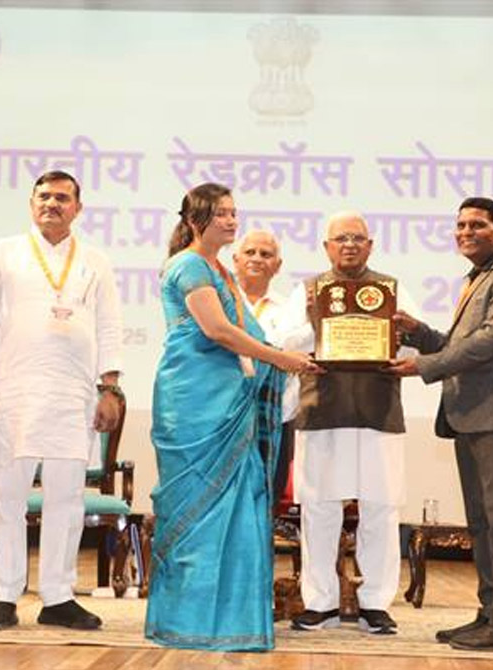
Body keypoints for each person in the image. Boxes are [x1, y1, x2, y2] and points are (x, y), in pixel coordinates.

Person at [145, 183, 319, 651]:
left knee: (236, 505)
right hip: (193, 401)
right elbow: (218, 331)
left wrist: (292, 353)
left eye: (232, 212)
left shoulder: (220, 270)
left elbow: (251, 332)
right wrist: (281, 360)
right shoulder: (188, 266)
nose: (230, 220)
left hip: (228, 397)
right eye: (220, 213)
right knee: (198, 509)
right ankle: (187, 621)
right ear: (195, 220)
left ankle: (227, 620)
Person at [0, 170, 123, 632]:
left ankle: (58, 596)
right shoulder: (2, 252)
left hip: (74, 394)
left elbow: (110, 326)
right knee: (8, 497)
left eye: (62, 197)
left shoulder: (96, 260)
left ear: (78, 207)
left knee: (67, 500)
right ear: (32, 203)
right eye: (44, 196)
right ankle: (3, 595)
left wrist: (110, 387)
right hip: (11, 391)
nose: (52, 204)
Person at [389, 196, 493, 652]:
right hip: (474, 416)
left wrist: (422, 366)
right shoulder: (477, 278)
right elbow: (461, 344)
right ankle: (492, 613)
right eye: (460, 225)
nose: (465, 232)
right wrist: (419, 332)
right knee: (483, 522)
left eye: (477, 224)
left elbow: (490, 342)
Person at [279, 211, 417, 636]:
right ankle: (320, 602)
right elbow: (283, 344)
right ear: (327, 246)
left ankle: (375, 603)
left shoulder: (392, 290)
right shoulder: (306, 291)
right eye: (341, 239)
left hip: (378, 412)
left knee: (381, 508)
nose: (350, 245)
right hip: (323, 410)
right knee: (319, 509)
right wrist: (314, 324)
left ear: (371, 245)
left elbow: (416, 347)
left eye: (358, 238)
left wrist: (398, 335)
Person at [232, 230, 294, 503]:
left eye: (266, 254)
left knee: (267, 494)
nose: (257, 259)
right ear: (235, 260)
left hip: (274, 416)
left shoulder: (290, 309)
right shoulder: (219, 302)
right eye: (250, 252)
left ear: (277, 265)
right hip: (225, 413)